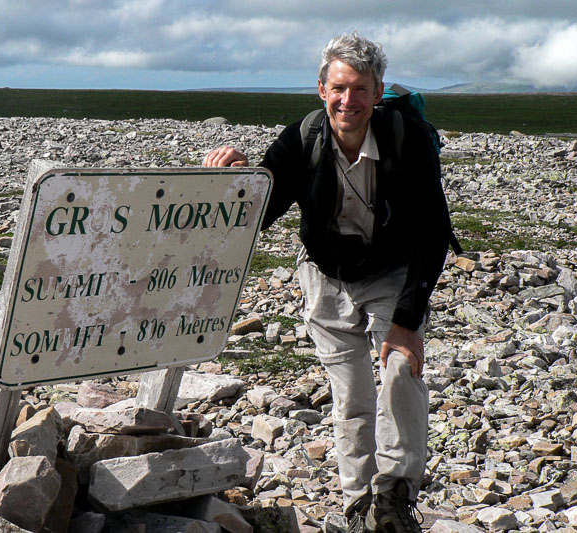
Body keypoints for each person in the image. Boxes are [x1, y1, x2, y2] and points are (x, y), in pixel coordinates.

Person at [204, 32, 451, 533]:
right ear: (321, 89)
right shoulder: (302, 139)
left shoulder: (406, 139)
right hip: (325, 277)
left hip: (392, 272)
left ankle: (395, 497)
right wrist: (235, 180)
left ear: (377, 92)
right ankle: (360, 506)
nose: (348, 100)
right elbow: (260, 211)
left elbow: (433, 232)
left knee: (401, 371)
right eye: (338, 88)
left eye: (360, 89)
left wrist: (407, 322)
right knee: (350, 395)